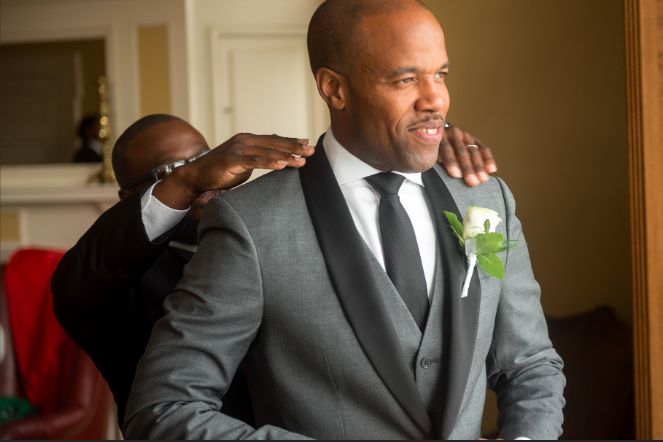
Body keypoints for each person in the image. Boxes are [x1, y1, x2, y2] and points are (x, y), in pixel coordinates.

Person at [123, 0, 565, 440]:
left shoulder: (486, 199)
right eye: (405, 80)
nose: (436, 100)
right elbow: (161, 409)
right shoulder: (250, 224)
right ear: (334, 88)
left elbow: (530, 366)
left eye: (441, 74)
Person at [51, 107, 495, 428]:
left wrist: (423, 133)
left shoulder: (263, 230)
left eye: (203, 156)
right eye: (170, 169)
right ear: (130, 197)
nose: (204, 173)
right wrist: (188, 180)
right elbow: (73, 288)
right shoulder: (116, 283)